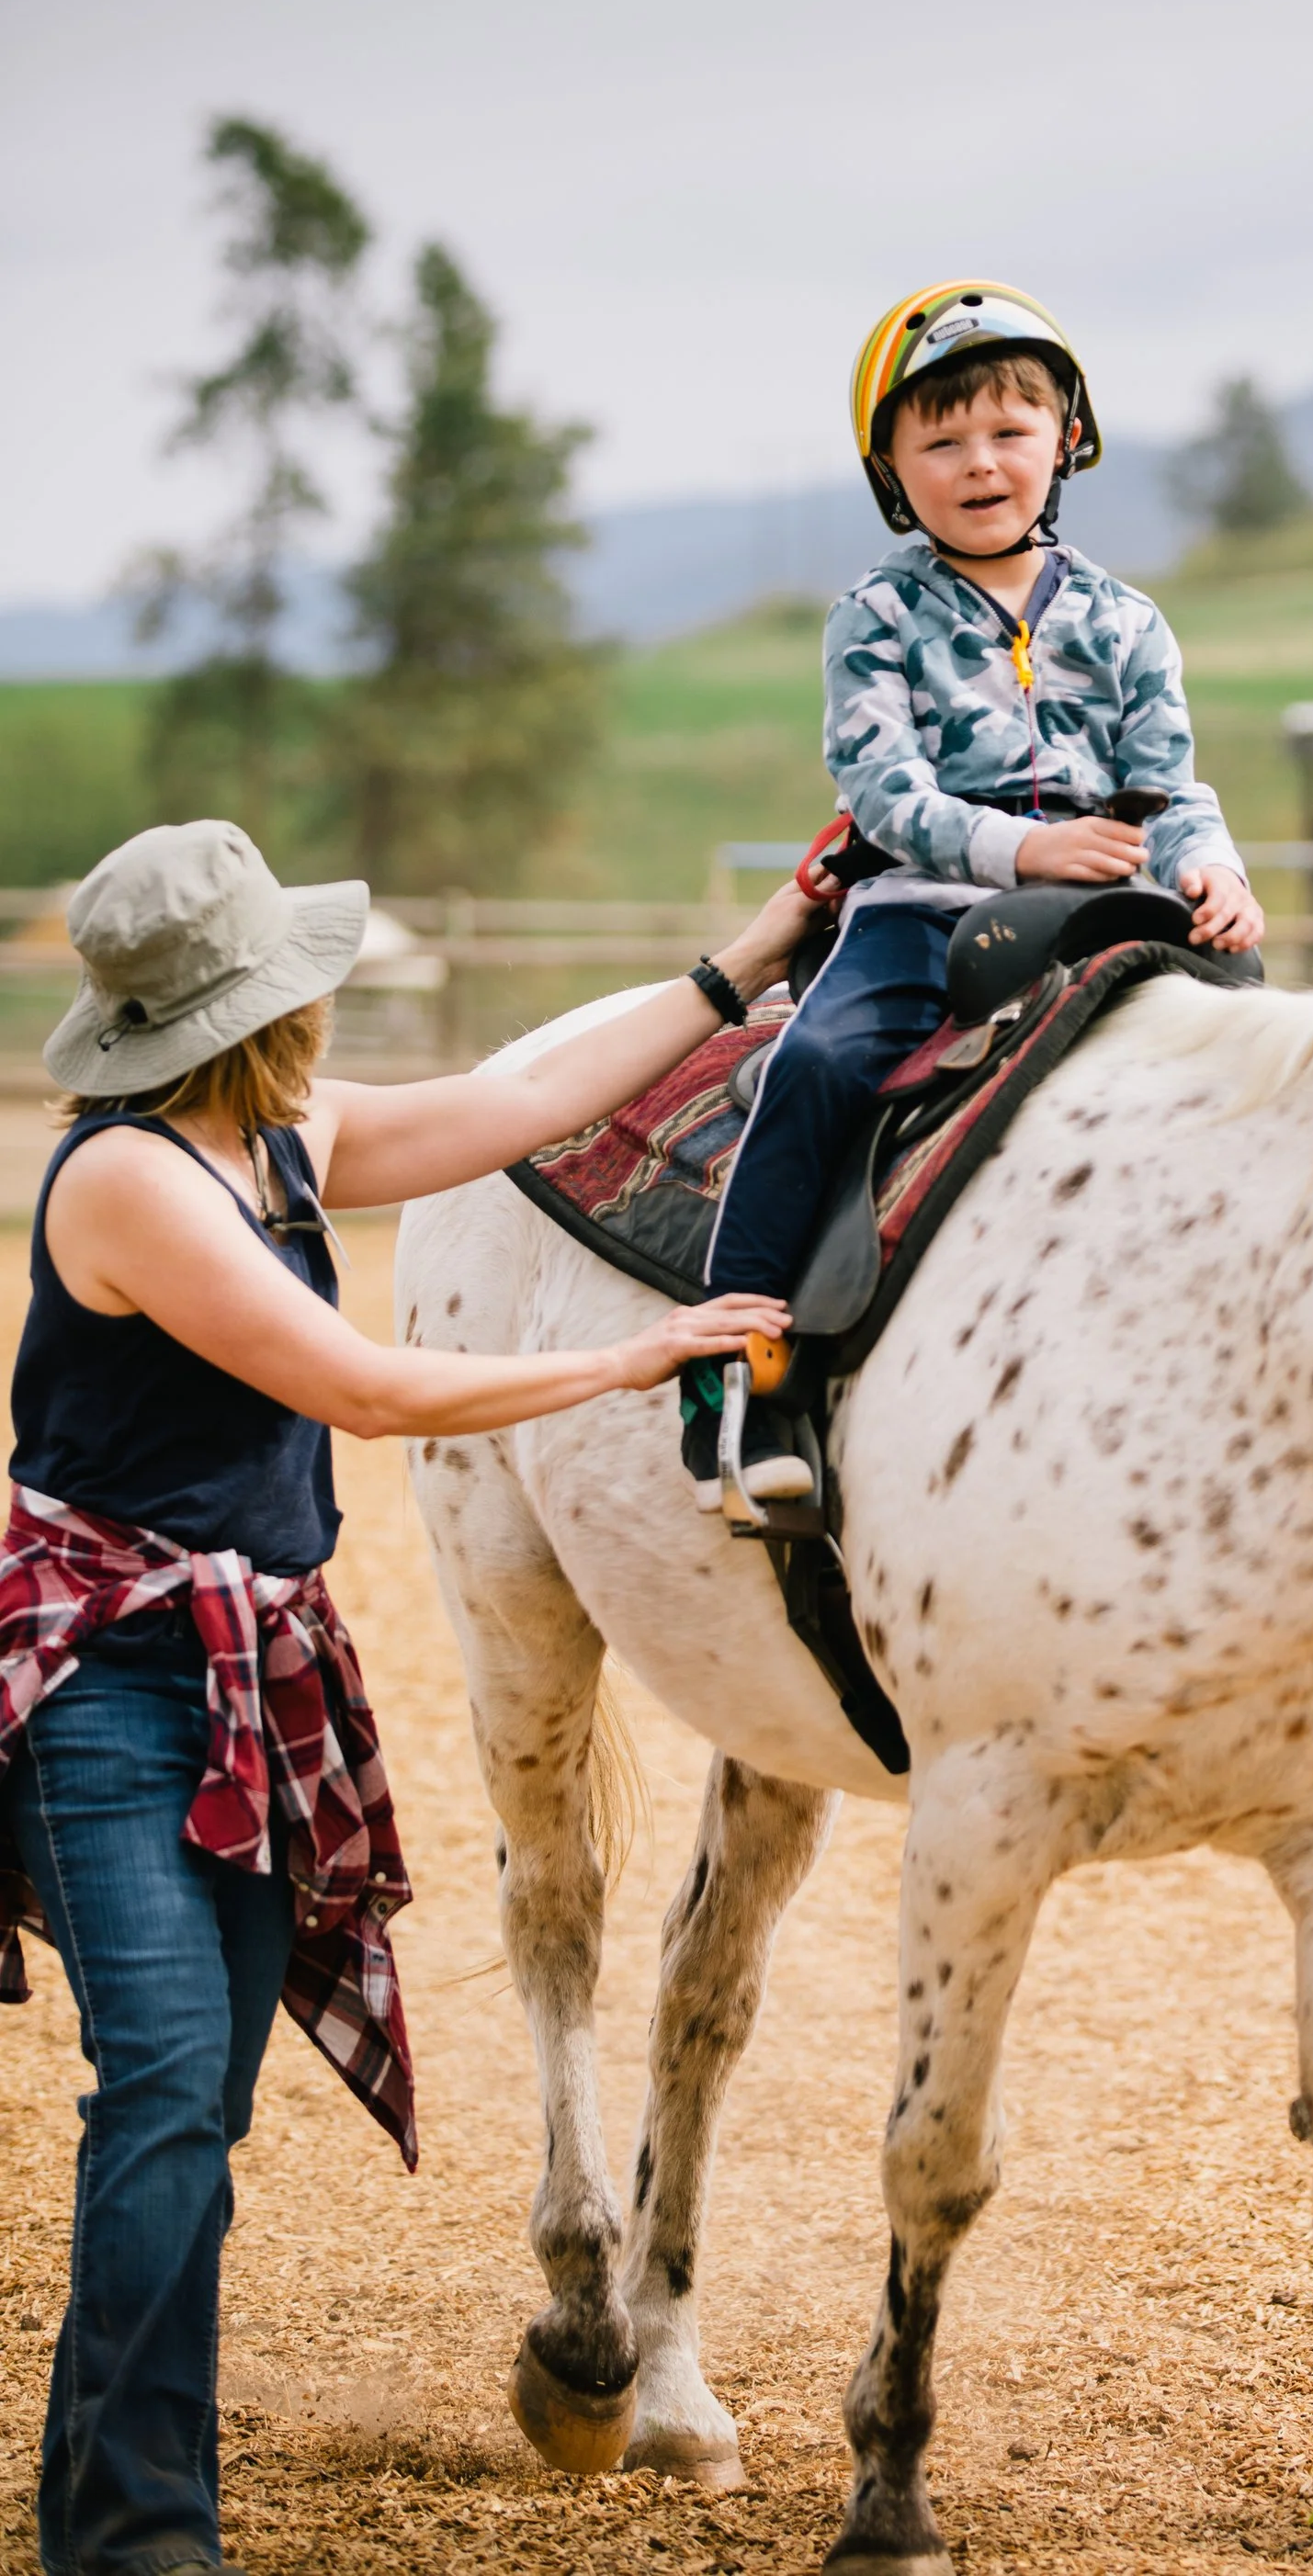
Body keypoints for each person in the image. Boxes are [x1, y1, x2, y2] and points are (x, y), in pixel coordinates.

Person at [1, 817, 817, 2576]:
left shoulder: (278, 1139)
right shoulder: (129, 1180)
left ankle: (101, 2493)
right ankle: (140, 2535)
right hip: (111, 1686)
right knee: (161, 2093)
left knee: (189, 2110)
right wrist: (630, 1352)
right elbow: (367, 1390)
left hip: (236, 1676)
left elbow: (515, 1109)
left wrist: (742, 960)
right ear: (250, 1009)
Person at [707, 282, 1263, 1306]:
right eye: (942, 441)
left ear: (1066, 439)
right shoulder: (874, 617)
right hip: (922, 916)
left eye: (1011, 429)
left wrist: (1212, 869)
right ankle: (735, 1336)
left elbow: (1168, 786)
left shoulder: (1127, 621)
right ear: (892, 472)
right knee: (821, 1060)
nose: (980, 463)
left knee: (1261, 1040)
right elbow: (884, 795)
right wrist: (1027, 850)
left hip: (1105, 910)